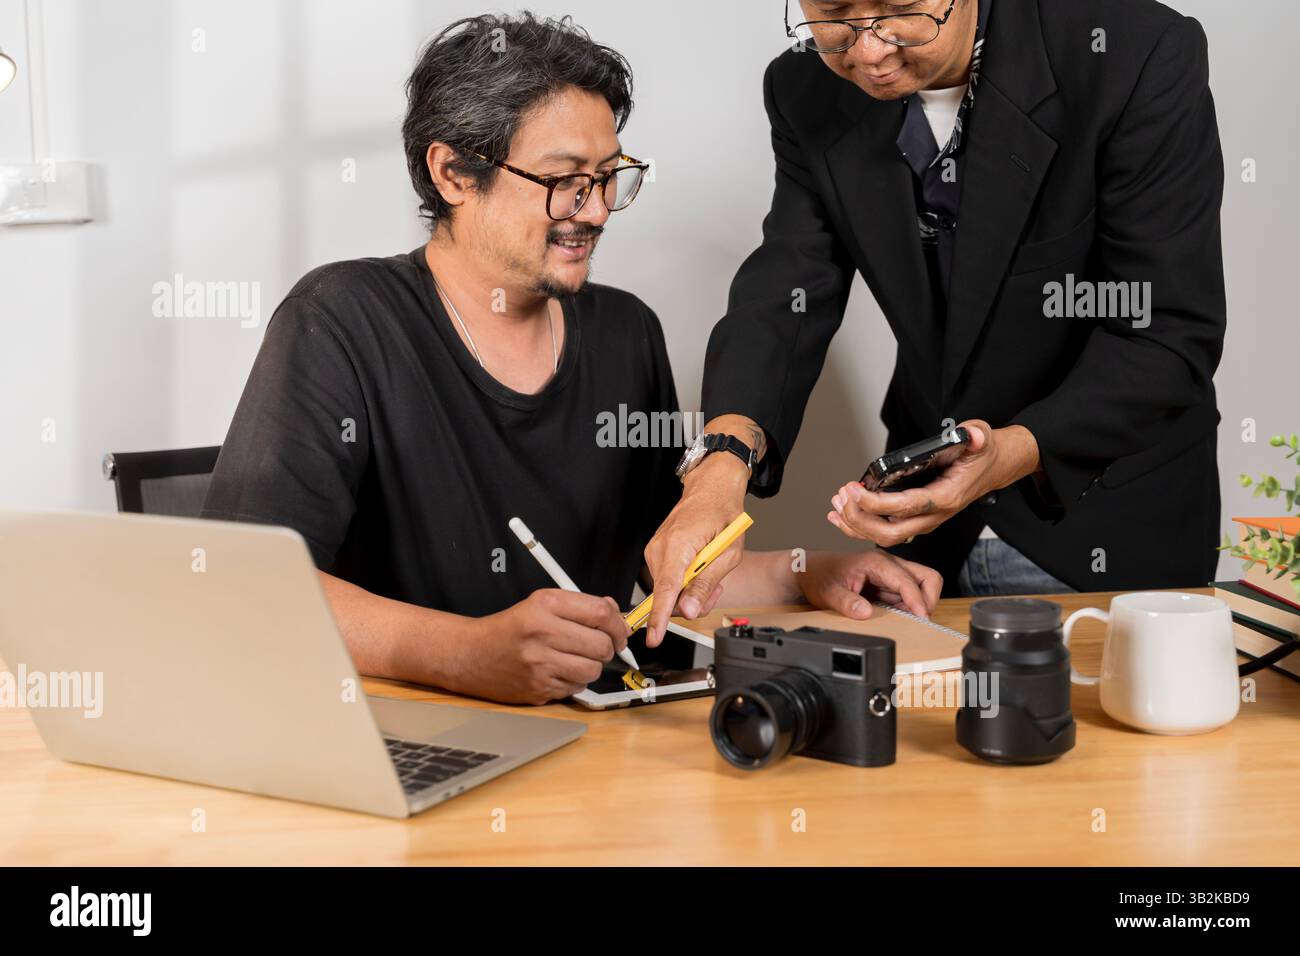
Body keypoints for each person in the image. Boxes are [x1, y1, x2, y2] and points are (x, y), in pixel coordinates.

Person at [200, 12, 942, 706]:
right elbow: (249, 585)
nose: (592, 211)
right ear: (453, 173)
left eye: (607, 177)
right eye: (562, 182)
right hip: (402, 740)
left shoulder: (625, 331)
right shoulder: (342, 319)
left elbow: (655, 580)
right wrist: (468, 653)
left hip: (587, 753)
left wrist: (809, 571)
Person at [642, 0, 1225, 647]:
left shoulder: (1133, 51)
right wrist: (720, 467)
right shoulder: (802, 87)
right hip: (921, 548)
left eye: (899, 12)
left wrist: (1010, 452)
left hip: (1106, 522)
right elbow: (785, 296)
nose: (867, 52)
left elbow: (1169, 332)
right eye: (834, 16)